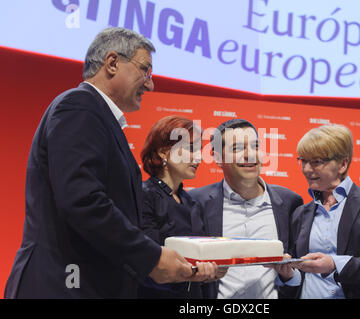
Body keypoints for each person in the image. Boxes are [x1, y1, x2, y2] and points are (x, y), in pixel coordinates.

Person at [4, 27, 209, 299]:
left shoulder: (98, 117)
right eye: (145, 70)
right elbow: (82, 201)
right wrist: (152, 258)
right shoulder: (79, 107)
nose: (150, 84)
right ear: (112, 63)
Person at [274, 124, 360, 299]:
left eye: (316, 162)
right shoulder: (300, 213)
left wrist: (334, 263)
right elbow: (300, 279)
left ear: (342, 164)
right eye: (303, 160)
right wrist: (288, 274)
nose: (306, 169)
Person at [188, 119, 303, 299]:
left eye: (255, 146)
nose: (250, 155)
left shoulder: (290, 202)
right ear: (217, 158)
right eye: (237, 149)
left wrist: (289, 274)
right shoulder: (196, 202)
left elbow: (300, 275)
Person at [138, 115, 226, 298]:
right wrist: (194, 274)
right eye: (190, 149)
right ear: (163, 152)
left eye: (199, 150)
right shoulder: (143, 196)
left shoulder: (191, 202)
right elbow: (147, 262)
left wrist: (212, 272)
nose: (199, 157)